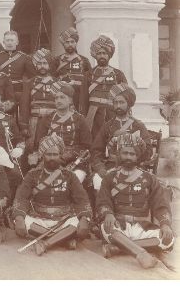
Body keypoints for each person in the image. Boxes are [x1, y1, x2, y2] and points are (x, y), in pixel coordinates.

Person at [96, 132, 175, 269]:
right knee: (106, 228)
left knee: (168, 240)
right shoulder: (110, 178)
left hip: (142, 227)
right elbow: (103, 201)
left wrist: (165, 224)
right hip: (119, 226)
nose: (128, 157)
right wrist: (108, 213)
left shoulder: (150, 179)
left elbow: (160, 205)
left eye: (132, 154)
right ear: (119, 154)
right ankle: (141, 254)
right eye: (125, 153)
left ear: (138, 156)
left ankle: (118, 248)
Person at [12, 133, 92, 256]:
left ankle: (45, 243)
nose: (52, 158)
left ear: (60, 156)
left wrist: (84, 217)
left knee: (79, 224)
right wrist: (19, 217)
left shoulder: (70, 176)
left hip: (63, 220)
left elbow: (82, 199)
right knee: (22, 222)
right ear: (43, 155)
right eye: (49, 154)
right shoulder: (32, 175)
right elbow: (21, 197)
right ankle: (63, 240)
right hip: (39, 219)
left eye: (55, 154)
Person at [91, 83, 152, 191]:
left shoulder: (138, 125)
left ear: (129, 104)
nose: (118, 106)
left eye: (121, 102)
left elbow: (148, 152)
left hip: (133, 166)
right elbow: (96, 151)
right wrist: (100, 168)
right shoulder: (107, 126)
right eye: (115, 103)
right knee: (98, 181)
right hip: (110, 166)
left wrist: (137, 161)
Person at [33, 82, 92, 184]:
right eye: (56, 98)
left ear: (70, 100)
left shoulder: (80, 119)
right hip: (50, 159)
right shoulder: (47, 119)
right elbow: (39, 142)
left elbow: (86, 146)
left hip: (75, 161)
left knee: (74, 180)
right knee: (35, 180)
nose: (58, 100)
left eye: (62, 97)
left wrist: (66, 156)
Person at [86, 35, 127, 136]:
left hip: (112, 111)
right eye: (99, 53)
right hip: (93, 113)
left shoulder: (118, 74)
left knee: (113, 136)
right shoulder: (89, 74)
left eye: (104, 53)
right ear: (95, 55)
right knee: (94, 138)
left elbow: (126, 95)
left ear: (109, 55)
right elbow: (83, 97)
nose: (102, 56)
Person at [19, 48, 58, 148]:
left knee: (52, 146)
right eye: (39, 63)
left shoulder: (57, 83)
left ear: (49, 65)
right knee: (34, 146)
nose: (42, 66)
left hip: (52, 121)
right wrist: (24, 126)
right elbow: (24, 106)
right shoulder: (29, 83)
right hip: (35, 120)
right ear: (35, 65)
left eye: (45, 63)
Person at [0, 30, 33, 117]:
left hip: (18, 91)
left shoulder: (24, 57)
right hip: (1, 91)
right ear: (3, 42)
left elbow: (32, 77)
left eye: (12, 40)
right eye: (7, 40)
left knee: (19, 117)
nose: (10, 43)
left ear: (17, 42)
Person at [54, 27, 91, 114]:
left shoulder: (84, 60)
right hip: (63, 95)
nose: (70, 44)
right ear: (63, 44)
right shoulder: (57, 60)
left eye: (72, 42)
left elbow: (90, 80)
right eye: (67, 42)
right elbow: (52, 78)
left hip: (79, 96)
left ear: (76, 43)